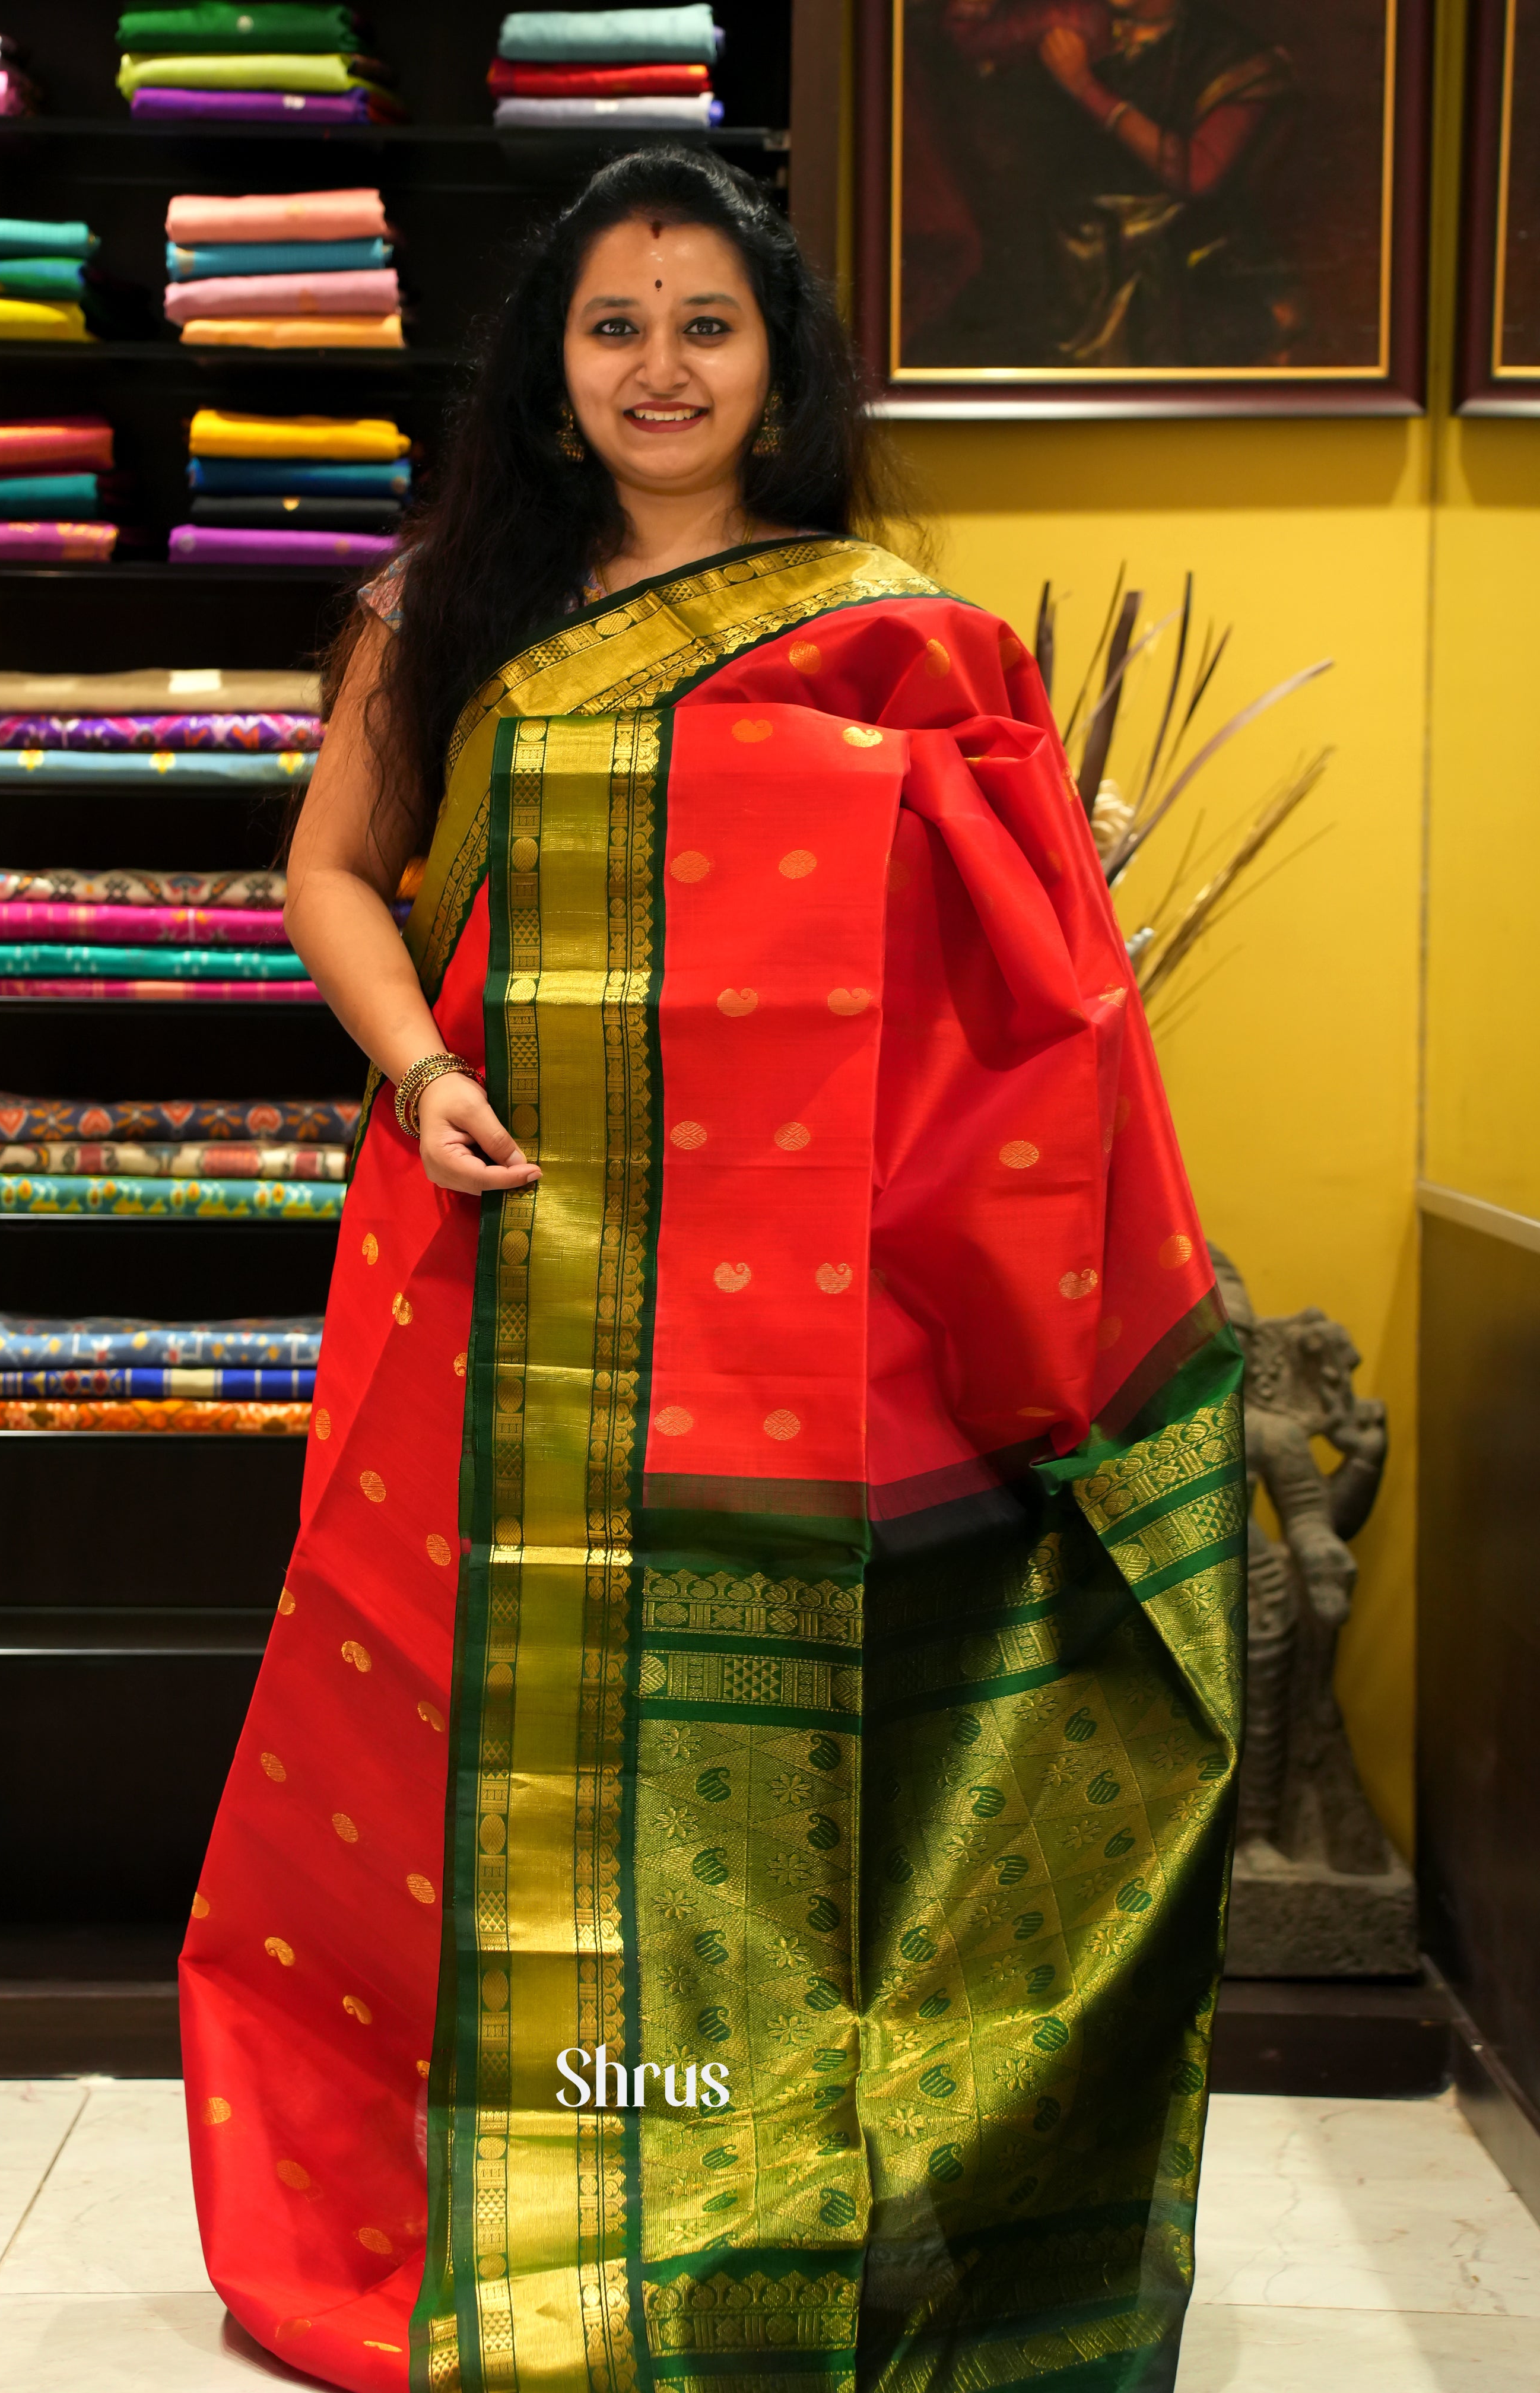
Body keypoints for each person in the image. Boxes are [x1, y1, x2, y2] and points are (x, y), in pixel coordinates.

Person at [180, 144, 1244, 2393]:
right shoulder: (439, 610)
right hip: (502, 1242)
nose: (657, 367)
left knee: (800, 1727)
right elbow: (334, 872)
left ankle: (766, 2199)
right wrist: (411, 1069)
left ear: (778, 364)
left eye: (703, 325)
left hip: (822, 1295)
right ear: (548, 369)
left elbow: (1021, 965)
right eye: (611, 325)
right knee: (454, 1719)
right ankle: (498, 2198)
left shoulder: (899, 632)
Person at [903, 0, 1295, 370]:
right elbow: (969, 47)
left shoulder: (1234, 56)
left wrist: (1084, 88)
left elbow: (1196, 173)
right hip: (1061, 249)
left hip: (1171, 257)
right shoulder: (1077, 24)